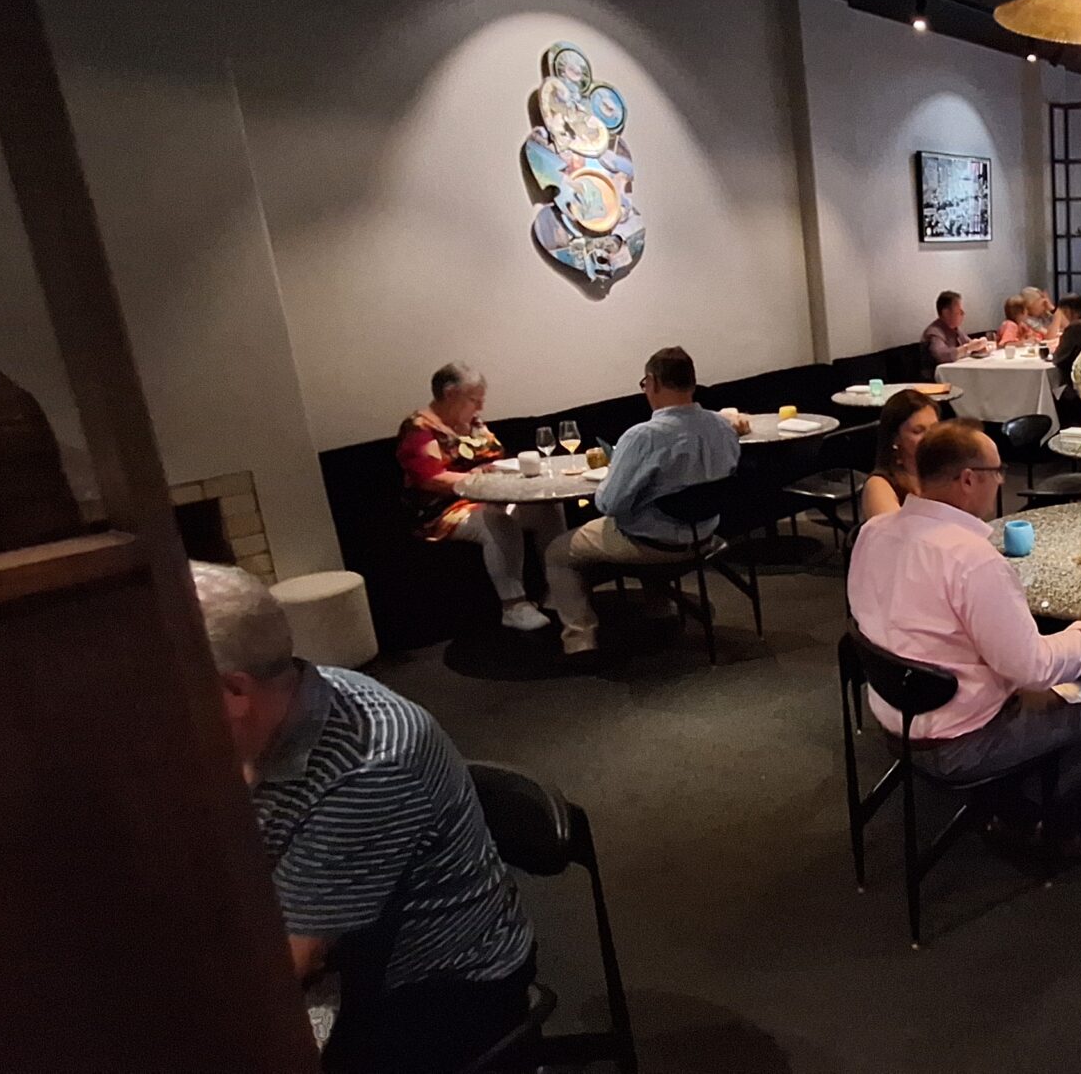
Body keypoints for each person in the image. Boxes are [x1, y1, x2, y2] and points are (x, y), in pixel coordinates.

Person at [191, 562, 534, 1074]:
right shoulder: (288, 700)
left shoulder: (369, 765)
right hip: (359, 952)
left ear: (234, 691)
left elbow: (282, 967)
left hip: (447, 986)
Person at [847, 420, 1081, 849]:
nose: (1001, 481)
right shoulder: (973, 560)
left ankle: (1015, 793)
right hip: (956, 741)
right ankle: (1025, 811)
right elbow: (1032, 668)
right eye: (997, 472)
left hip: (895, 715)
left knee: (1030, 672)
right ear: (968, 480)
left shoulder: (872, 532)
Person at [542, 346, 748, 655]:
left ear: (651, 383)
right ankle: (658, 610)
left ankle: (579, 640)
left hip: (654, 546)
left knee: (558, 551)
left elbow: (610, 504)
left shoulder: (642, 437)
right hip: (705, 535)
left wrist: (612, 477)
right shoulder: (723, 426)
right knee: (652, 510)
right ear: (692, 383)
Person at [396, 362, 562, 632]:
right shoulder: (420, 428)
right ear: (450, 395)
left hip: (490, 496)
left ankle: (557, 589)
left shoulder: (470, 423)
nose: (480, 408)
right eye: (475, 400)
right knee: (494, 519)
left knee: (548, 507)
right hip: (443, 510)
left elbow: (496, 456)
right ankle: (514, 606)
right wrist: (479, 482)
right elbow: (430, 478)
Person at [859, 388, 941, 522]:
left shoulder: (943, 473)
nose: (930, 437)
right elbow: (895, 537)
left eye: (934, 428)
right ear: (895, 438)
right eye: (918, 431)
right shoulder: (879, 485)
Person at [922, 290, 990, 366]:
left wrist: (979, 347)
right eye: (959, 311)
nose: (963, 313)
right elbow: (942, 356)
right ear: (946, 313)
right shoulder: (934, 332)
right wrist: (967, 348)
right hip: (937, 376)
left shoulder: (955, 329)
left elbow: (969, 344)